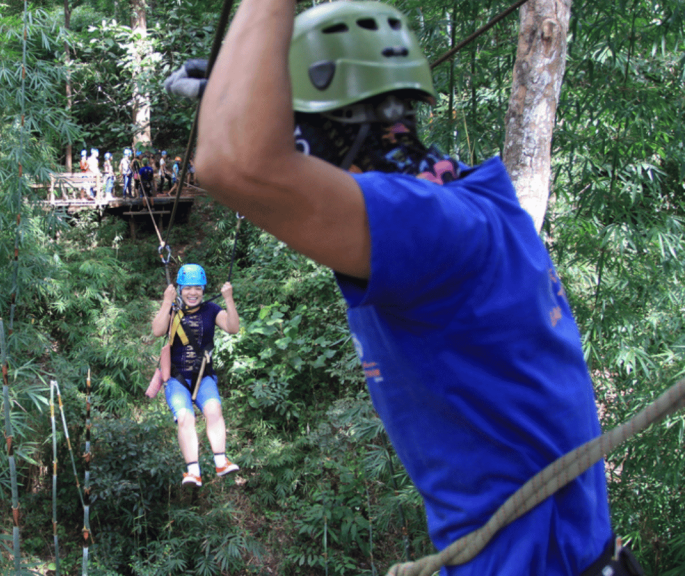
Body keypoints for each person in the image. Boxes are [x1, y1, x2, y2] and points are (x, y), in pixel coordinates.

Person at [167, 1, 638, 575]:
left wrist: (247, 120)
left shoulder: (434, 228)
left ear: (329, 131)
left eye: (296, 138)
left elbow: (232, 166)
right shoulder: (471, 207)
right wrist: (246, 95)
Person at [151, 264, 240, 487]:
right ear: (180, 290)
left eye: (198, 288)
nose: (193, 293)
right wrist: (166, 301)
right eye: (188, 288)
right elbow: (157, 331)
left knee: (214, 410)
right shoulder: (173, 311)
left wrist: (228, 299)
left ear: (203, 290)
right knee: (185, 418)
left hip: (204, 376)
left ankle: (221, 461)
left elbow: (232, 328)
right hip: (177, 378)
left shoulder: (211, 310)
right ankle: (193, 471)